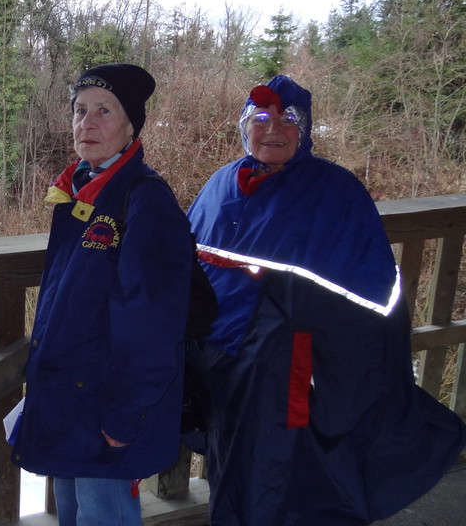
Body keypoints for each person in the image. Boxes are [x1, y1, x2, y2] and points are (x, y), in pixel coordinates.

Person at [186, 75, 466, 525]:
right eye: (260, 118)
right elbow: (188, 266)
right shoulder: (221, 185)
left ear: (306, 130)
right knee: (231, 466)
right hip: (221, 367)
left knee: (282, 479)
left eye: (288, 119)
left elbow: (373, 298)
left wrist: (315, 356)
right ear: (244, 126)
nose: (273, 129)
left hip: (286, 372)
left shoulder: (334, 191)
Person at [11, 63, 192, 526]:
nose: (87, 123)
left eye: (104, 111)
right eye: (80, 110)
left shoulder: (144, 201)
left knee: (103, 517)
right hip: (70, 402)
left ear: (132, 126)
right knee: (72, 516)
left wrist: (124, 415)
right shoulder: (79, 191)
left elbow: (154, 322)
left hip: (108, 411)